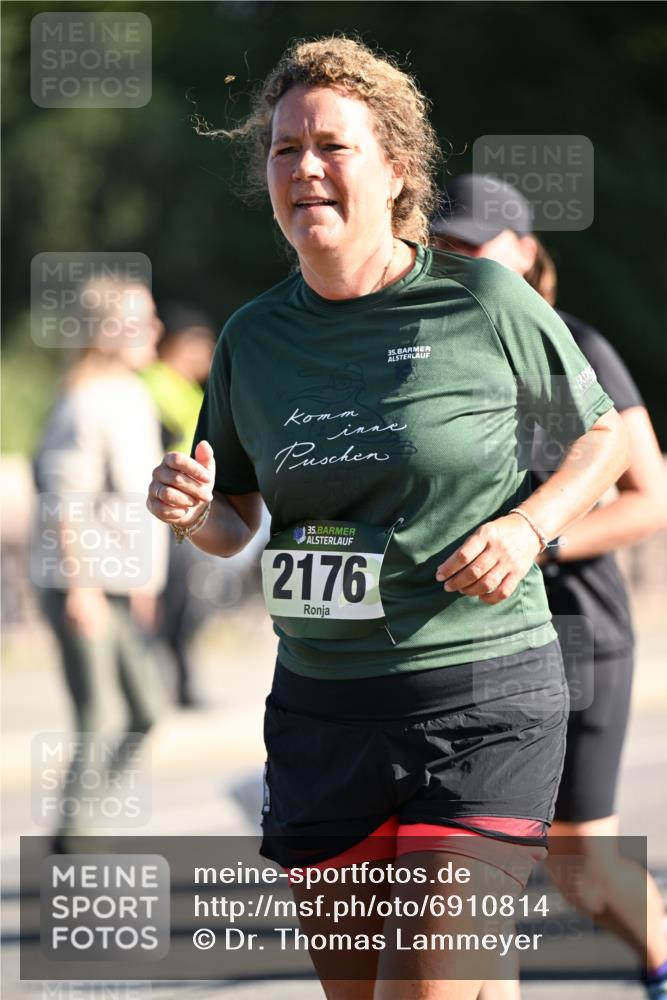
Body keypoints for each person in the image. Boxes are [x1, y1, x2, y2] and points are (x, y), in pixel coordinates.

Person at [147, 37, 629, 1000]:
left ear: (397, 170)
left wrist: (528, 528)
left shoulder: (481, 302)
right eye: (284, 151)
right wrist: (194, 513)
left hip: (481, 704)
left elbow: (599, 441)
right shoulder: (255, 337)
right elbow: (237, 516)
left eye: (332, 146)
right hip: (324, 714)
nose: (304, 169)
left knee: (429, 982)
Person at [430, 173, 667, 1000]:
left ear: (524, 254)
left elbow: (651, 499)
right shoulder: (418, 356)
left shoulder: (572, 345)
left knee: (580, 869)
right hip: (466, 644)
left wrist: (531, 542)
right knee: (471, 868)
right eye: (441, 245)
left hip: (573, 633)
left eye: (475, 245)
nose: (456, 260)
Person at [33, 276, 169, 851]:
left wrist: (142, 582)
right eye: (142, 320)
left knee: (146, 709)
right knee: (102, 715)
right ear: (106, 331)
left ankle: (76, 823)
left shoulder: (134, 394)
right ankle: (75, 841)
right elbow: (65, 503)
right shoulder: (84, 399)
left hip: (118, 583)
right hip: (81, 582)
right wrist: (80, 588)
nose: (156, 330)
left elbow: (131, 504)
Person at [141, 304, 218, 705]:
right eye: (201, 345)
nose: (207, 355)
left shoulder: (189, 388)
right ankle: (163, 688)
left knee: (189, 602)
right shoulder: (152, 382)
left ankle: (180, 684)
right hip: (162, 511)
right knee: (170, 604)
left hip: (185, 511)